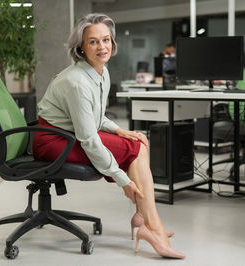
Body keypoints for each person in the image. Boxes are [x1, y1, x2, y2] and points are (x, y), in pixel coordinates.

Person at [33, 13, 185, 259]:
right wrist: (122, 180)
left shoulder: (101, 72)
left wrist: (120, 130)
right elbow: (89, 139)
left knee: (137, 142)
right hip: (52, 140)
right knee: (135, 150)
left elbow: (95, 117)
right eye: (93, 42)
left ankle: (143, 217)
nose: (102, 46)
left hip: (72, 133)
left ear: (113, 43)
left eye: (106, 40)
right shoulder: (77, 82)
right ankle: (153, 228)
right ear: (81, 47)